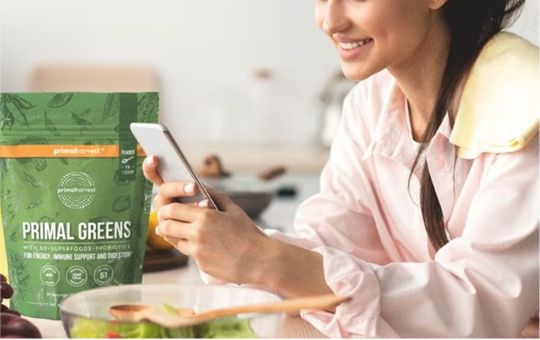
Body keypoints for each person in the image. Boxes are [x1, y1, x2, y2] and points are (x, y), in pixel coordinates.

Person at [143, 0, 539, 337]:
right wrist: (232, 243)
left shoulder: (526, 105)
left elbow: (483, 305)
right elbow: (330, 243)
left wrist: (269, 261)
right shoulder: (369, 107)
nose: (330, 21)